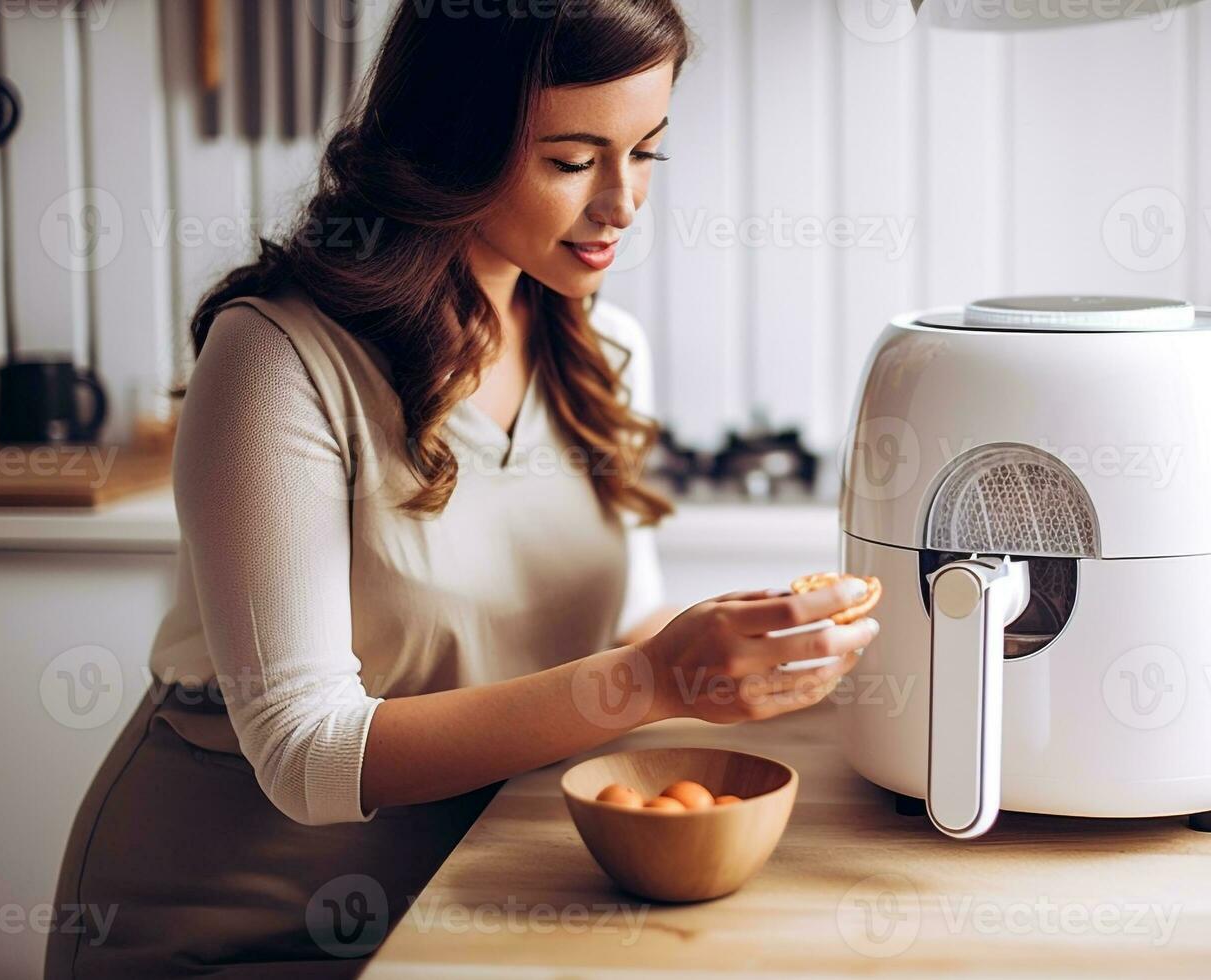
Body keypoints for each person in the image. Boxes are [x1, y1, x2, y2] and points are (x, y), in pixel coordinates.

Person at [45, 3, 878, 975]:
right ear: (451, 142)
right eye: (572, 160)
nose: (622, 203)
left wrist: (785, 653)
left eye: (647, 152)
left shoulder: (603, 351)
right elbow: (308, 752)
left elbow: (616, 621)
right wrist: (653, 680)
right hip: (235, 920)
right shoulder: (277, 357)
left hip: (472, 896)